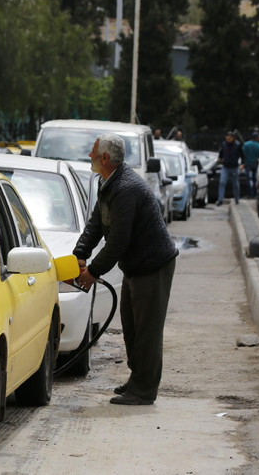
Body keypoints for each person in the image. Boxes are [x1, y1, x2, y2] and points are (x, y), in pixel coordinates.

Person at [73, 133, 178, 406]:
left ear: (104, 158)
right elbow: (96, 223)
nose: (89, 156)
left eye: (92, 152)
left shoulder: (126, 188)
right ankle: (137, 379)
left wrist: (92, 272)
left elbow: (119, 240)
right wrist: (79, 254)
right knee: (131, 328)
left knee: (147, 332)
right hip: (136, 265)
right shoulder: (108, 182)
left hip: (153, 265)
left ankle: (143, 390)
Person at [216, 131, 244, 206]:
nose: (228, 139)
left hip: (234, 167)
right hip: (226, 167)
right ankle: (220, 199)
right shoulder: (224, 144)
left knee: (235, 184)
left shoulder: (237, 145)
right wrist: (219, 158)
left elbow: (242, 155)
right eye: (227, 138)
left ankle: (237, 199)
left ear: (233, 138)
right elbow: (221, 153)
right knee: (222, 182)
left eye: (229, 138)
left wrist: (242, 164)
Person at [242, 132, 259, 199]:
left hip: (247, 164)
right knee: (255, 179)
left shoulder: (246, 144)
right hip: (255, 164)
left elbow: (243, 154)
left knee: (248, 179)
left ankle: (249, 194)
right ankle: (254, 194)